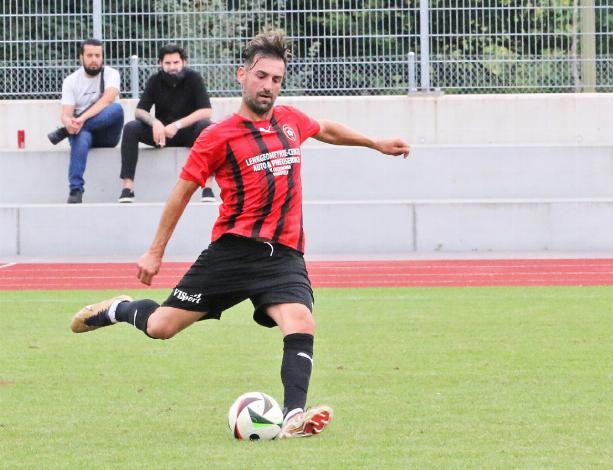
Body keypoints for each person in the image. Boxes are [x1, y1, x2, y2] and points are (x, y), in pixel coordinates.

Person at [70, 28, 410, 438]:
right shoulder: (217, 136)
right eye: (262, 76)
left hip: (283, 254)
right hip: (231, 253)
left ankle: (293, 417)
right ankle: (120, 309)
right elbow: (180, 195)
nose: (269, 87)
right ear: (242, 75)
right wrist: (154, 253)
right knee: (161, 326)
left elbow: (326, 129)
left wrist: (375, 143)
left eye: (277, 80)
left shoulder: (289, 120)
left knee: (301, 320)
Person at [119, 43, 216, 203]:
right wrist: (155, 122)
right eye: (168, 63)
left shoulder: (194, 78)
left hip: (187, 134)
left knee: (207, 126)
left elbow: (206, 111)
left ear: (184, 62)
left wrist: (177, 125)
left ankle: (207, 187)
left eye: (176, 63)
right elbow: (140, 111)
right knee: (131, 128)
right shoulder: (155, 80)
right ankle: (127, 188)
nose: (172, 67)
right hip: (161, 135)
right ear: (160, 64)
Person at [53, 38, 124, 204]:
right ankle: (75, 190)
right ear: (81, 57)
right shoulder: (71, 81)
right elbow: (66, 114)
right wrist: (68, 123)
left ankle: (70, 130)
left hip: (108, 134)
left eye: (98, 55)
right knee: (80, 134)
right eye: (90, 55)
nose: (94, 60)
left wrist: (80, 119)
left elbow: (108, 99)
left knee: (116, 109)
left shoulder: (111, 74)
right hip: (83, 133)